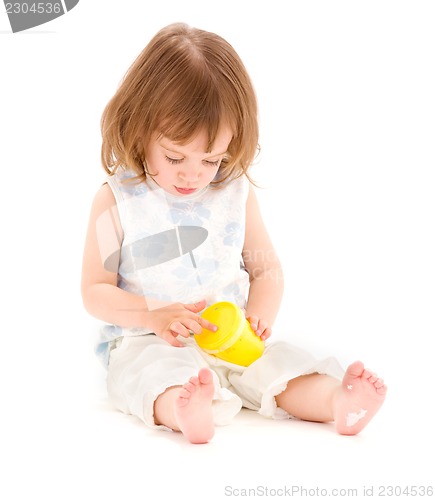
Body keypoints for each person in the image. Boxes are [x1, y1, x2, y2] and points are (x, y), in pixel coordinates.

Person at [81, 23, 387, 444]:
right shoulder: (117, 200)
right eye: (175, 156)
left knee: (278, 364)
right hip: (147, 339)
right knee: (151, 375)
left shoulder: (233, 193)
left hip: (230, 336)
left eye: (211, 160)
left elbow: (266, 269)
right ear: (139, 127)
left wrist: (259, 316)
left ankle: (336, 400)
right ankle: (186, 410)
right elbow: (95, 290)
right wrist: (152, 314)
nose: (193, 174)